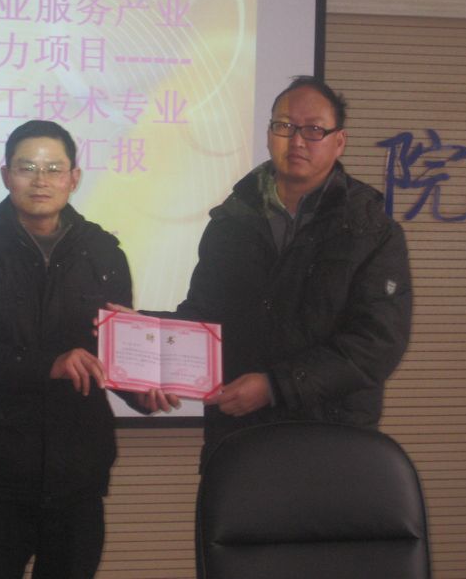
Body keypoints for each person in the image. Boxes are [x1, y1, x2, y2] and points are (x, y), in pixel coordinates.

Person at [115, 75, 412, 464]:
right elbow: (204, 317)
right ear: (270, 133)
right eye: (284, 126)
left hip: (332, 444)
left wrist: (276, 387)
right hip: (239, 440)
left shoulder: (371, 229)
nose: (297, 140)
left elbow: (376, 344)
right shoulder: (231, 220)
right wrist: (142, 338)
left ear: (339, 141)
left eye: (314, 129)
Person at [0, 119, 177, 579]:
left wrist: (141, 391)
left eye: (54, 168)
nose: (40, 180)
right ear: (6, 176)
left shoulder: (104, 253)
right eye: (27, 167)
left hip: (78, 473)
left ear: (74, 178)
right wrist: (50, 365)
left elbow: (111, 353)